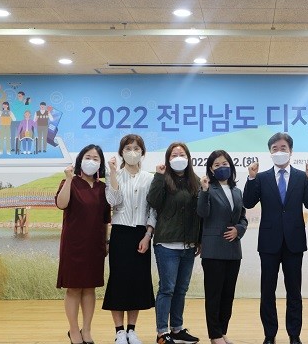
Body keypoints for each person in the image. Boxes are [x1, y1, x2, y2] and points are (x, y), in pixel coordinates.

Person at [243, 132, 308, 344]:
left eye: (283, 148)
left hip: (294, 241)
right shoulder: (261, 177)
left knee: (294, 291)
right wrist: (251, 178)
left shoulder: (302, 177)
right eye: (274, 148)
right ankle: (270, 335)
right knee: (267, 291)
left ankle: (294, 335)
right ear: (269, 152)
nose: (279, 152)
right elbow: (248, 202)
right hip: (269, 242)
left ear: (291, 151)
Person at [103, 134, 157, 344]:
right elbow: (113, 200)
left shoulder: (149, 178)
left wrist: (148, 234)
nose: (132, 152)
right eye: (128, 148)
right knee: (118, 281)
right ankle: (119, 331)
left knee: (137, 282)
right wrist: (113, 173)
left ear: (142, 152)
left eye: (136, 148)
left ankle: (131, 330)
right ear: (121, 152)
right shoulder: (114, 175)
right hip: (120, 233)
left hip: (141, 234)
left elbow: (153, 210)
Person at [147, 142, 202, 344]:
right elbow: (153, 201)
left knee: (181, 289)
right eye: (174, 155)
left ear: (188, 158)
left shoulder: (195, 181)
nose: (178, 157)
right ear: (168, 159)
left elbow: (199, 213)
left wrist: (199, 240)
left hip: (189, 245)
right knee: (167, 288)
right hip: (167, 244)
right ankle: (162, 332)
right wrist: (158, 176)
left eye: (182, 154)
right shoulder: (163, 178)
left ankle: (177, 329)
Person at [55, 144, 111, 344]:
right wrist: (69, 179)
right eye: (88, 157)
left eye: (96, 159)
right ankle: (73, 330)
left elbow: (105, 219)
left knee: (89, 288)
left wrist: (106, 242)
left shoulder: (103, 188)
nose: (91, 161)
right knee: (73, 288)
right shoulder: (69, 182)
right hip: (73, 245)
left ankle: (86, 330)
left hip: (95, 245)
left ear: (100, 164)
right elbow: (61, 204)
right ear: (80, 160)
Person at [197, 150, 248, 344]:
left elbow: (242, 217)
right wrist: (203, 191)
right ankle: (215, 335)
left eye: (224, 163)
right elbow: (202, 213)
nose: (221, 167)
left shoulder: (237, 191)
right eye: (217, 165)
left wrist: (239, 229)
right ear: (211, 169)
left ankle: (222, 331)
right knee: (214, 295)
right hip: (213, 250)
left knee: (228, 295)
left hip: (233, 250)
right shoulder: (207, 189)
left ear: (231, 166)